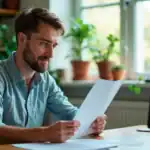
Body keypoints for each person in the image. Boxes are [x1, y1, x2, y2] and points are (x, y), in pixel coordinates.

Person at [0, 8, 107, 143]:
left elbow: (70, 113)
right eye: (44, 44)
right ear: (22, 39)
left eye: (54, 46)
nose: (51, 54)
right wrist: (44, 133)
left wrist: (91, 122)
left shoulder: (45, 80)